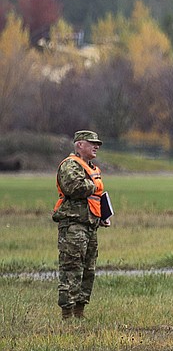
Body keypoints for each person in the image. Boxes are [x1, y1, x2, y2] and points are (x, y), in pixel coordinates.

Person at [52, 130, 111, 319]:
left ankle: (80, 312)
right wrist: (94, 185)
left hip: (90, 225)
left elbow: (95, 196)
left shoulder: (91, 167)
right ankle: (67, 315)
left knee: (88, 269)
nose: (96, 146)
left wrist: (102, 215)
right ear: (79, 145)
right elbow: (74, 187)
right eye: (92, 143)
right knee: (72, 267)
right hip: (73, 225)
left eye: (98, 144)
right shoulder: (70, 165)